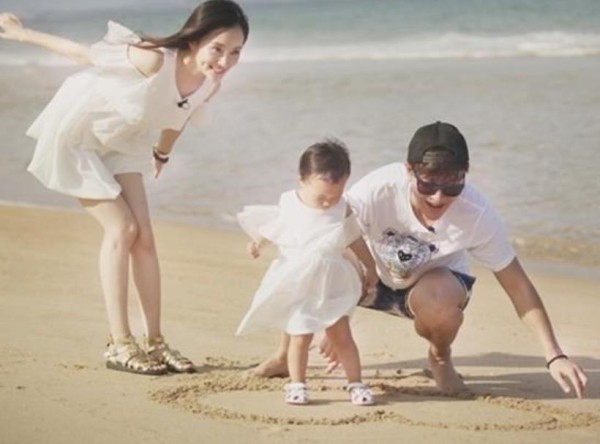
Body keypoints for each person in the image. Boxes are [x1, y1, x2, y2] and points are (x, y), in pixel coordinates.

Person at [250, 122, 588, 399]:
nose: (439, 198)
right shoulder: (379, 189)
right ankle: (283, 356)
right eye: (427, 185)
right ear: (409, 171)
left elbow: (518, 286)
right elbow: (322, 235)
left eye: (452, 186)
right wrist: (336, 316)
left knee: (439, 298)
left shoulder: (477, 213)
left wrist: (554, 355)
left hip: (431, 289)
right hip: (370, 278)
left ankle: (440, 357)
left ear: (466, 174)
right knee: (311, 260)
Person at [0, 0, 249, 375]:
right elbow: (82, 55)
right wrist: (21, 34)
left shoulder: (209, 83)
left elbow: (179, 114)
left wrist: (162, 153)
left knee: (145, 237)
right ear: (194, 40)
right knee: (123, 228)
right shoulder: (153, 60)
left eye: (236, 52)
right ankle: (119, 343)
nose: (225, 61)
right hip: (79, 137)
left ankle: (155, 342)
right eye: (218, 48)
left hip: (123, 144)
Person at [236, 139, 378, 405]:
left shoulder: (343, 207)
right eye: (321, 197)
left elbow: (354, 239)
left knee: (343, 337)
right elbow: (277, 226)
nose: (327, 204)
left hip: (332, 283)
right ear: (302, 180)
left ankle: (356, 383)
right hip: (300, 284)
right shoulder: (290, 202)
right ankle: (297, 383)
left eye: (334, 197)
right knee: (299, 335)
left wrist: (370, 266)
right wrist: (258, 243)